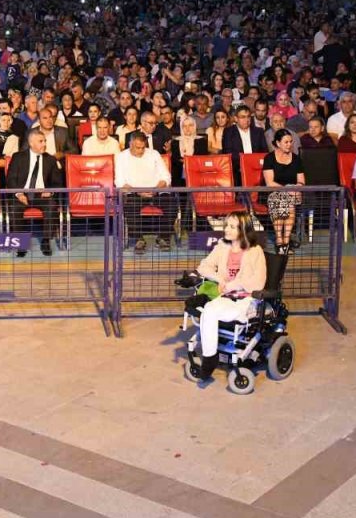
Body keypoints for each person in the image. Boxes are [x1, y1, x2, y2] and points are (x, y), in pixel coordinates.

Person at [188, 211, 267, 383]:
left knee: (215, 311)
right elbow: (204, 267)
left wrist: (234, 284)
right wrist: (220, 278)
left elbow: (259, 283)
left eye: (232, 226)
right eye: (227, 225)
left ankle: (211, 358)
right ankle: (210, 358)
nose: (227, 230)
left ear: (243, 230)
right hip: (226, 297)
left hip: (247, 300)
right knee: (208, 310)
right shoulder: (222, 247)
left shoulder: (256, 251)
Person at [4, 129, 64, 256]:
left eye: (45, 141)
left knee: (51, 206)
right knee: (14, 208)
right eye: (40, 141)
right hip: (22, 194)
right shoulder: (18, 157)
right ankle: (21, 243)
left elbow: (57, 182)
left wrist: (50, 192)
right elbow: (10, 179)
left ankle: (46, 241)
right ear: (31, 143)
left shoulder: (50, 160)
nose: (44, 144)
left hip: (41, 195)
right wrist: (19, 194)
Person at [115, 131, 174, 253]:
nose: (141, 151)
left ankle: (163, 238)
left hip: (155, 191)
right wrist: (138, 192)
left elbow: (166, 177)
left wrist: (156, 189)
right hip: (135, 193)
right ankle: (138, 239)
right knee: (130, 205)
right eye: (138, 148)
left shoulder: (154, 154)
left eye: (143, 147)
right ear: (130, 144)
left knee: (171, 204)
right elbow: (120, 182)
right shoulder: (121, 157)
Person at [262, 131, 304, 250]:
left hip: (292, 193)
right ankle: (280, 240)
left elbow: (301, 181)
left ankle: (285, 241)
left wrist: (297, 187)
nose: (289, 144)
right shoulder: (269, 158)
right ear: (278, 143)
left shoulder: (296, 159)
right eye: (286, 142)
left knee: (289, 203)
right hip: (273, 192)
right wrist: (287, 189)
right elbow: (269, 183)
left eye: (291, 142)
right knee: (280, 201)